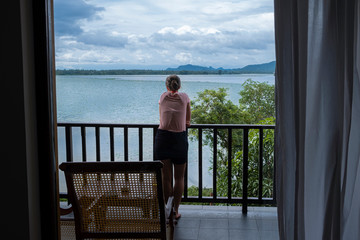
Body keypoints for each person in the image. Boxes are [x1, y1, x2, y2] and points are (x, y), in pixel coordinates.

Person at [154, 74, 191, 221]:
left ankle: (167, 210)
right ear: (179, 86)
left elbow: (161, 118)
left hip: (163, 138)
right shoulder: (185, 98)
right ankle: (176, 211)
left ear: (167, 86)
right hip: (179, 139)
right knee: (179, 177)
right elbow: (188, 120)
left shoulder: (163, 97)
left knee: (166, 178)